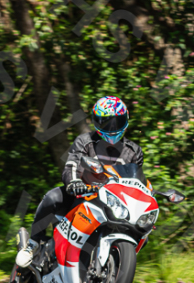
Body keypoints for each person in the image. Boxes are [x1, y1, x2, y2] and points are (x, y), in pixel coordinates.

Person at [16, 96, 144, 268]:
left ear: (126, 121)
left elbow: (136, 182)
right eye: (107, 123)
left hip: (114, 202)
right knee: (53, 197)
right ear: (96, 122)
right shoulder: (85, 141)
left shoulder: (134, 151)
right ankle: (33, 243)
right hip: (82, 194)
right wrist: (74, 183)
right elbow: (72, 165)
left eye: (117, 122)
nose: (112, 128)